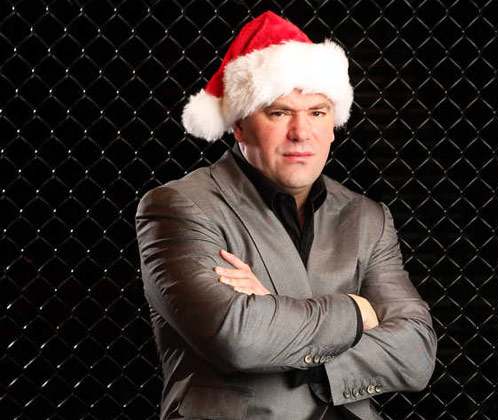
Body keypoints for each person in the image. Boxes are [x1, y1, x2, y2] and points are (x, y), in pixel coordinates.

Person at [135, 11, 436, 420]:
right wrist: (357, 311)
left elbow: (416, 352)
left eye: (317, 112)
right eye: (278, 113)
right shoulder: (180, 207)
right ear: (240, 125)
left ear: (334, 124)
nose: (301, 132)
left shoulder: (367, 217)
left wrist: (275, 314)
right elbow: (237, 336)